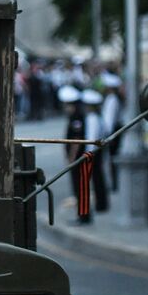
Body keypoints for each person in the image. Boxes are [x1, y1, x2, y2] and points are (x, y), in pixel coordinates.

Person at [60, 85, 92, 223]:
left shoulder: (77, 117)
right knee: (78, 188)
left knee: (81, 188)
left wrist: (72, 158)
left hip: (79, 159)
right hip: (76, 158)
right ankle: (81, 215)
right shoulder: (74, 115)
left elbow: (77, 140)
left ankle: (84, 216)